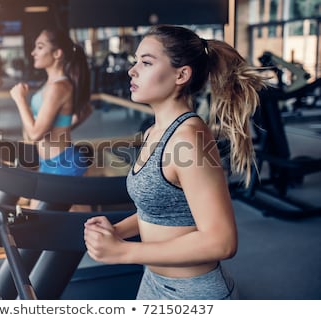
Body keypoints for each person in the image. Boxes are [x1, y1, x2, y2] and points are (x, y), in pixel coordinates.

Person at [84, 24, 267, 300]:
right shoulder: (153, 132)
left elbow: (223, 241)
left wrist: (125, 251)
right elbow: (159, 211)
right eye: (136, 61)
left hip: (193, 293)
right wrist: (118, 230)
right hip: (153, 281)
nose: (132, 70)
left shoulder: (189, 139)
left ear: (181, 74)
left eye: (146, 62)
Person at [10, 28, 92, 210]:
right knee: (37, 220)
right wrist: (67, 125)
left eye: (40, 47)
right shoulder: (48, 86)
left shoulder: (59, 87)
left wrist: (19, 99)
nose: (33, 52)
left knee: (77, 227)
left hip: (64, 166)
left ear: (57, 53)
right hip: (47, 164)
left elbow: (35, 134)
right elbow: (83, 112)